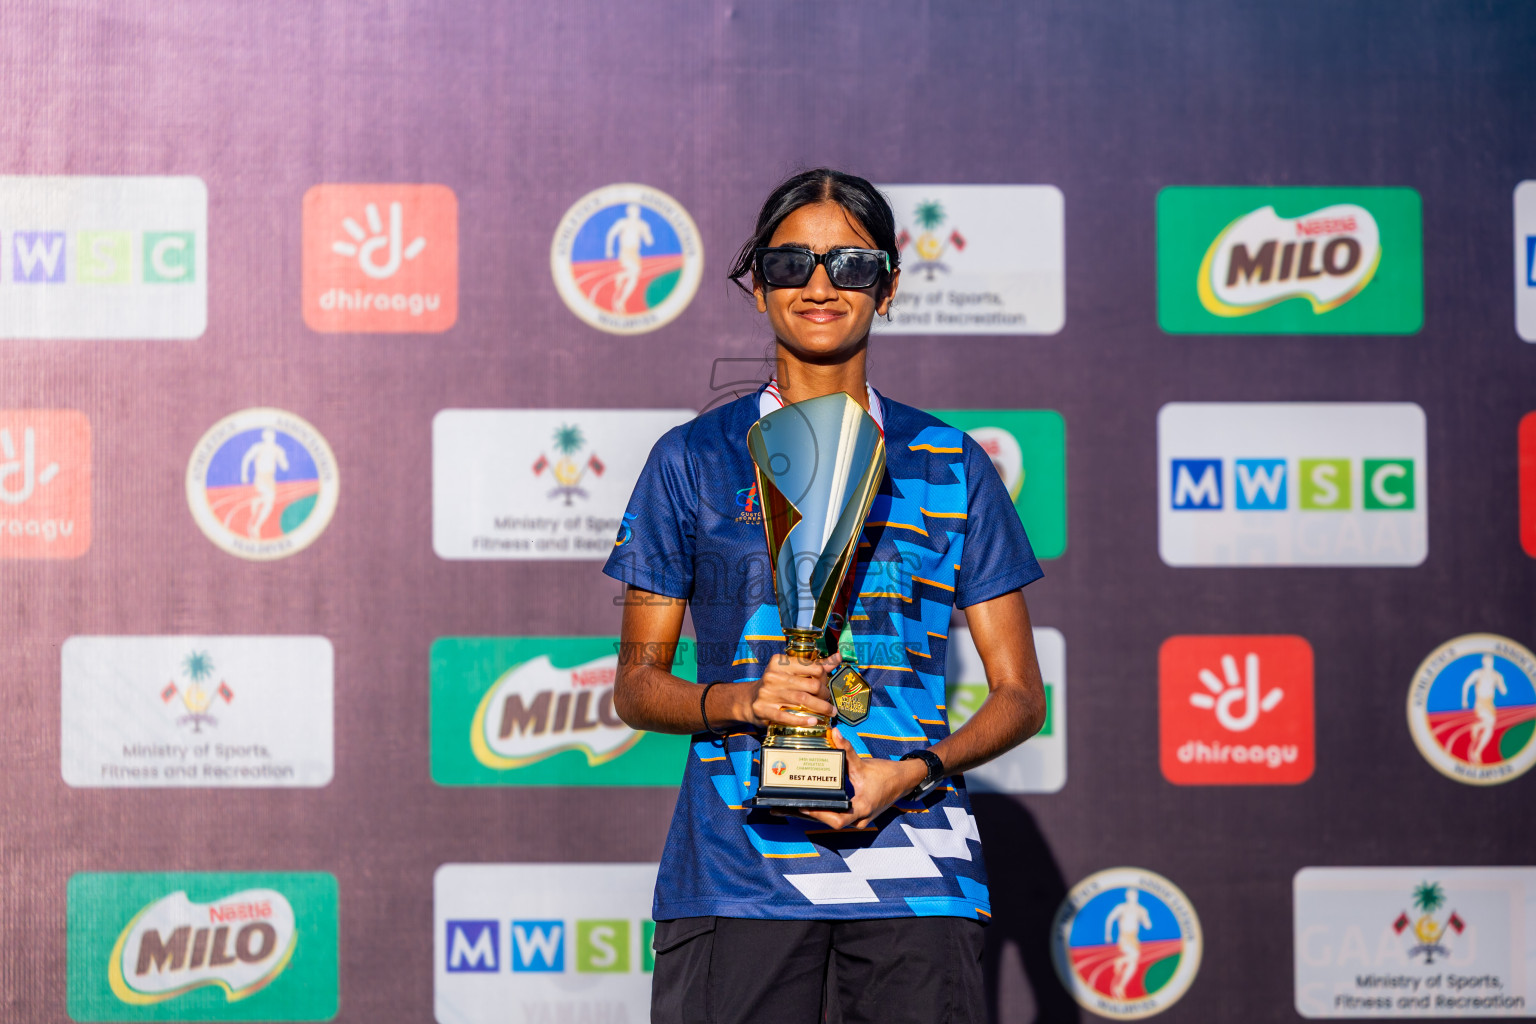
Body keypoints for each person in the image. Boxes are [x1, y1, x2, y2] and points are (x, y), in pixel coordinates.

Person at [604, 168, 1047, 1024]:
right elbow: (636, 684)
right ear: (755, 286)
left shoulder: (949, 461)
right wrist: (741, 699)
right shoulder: (692, 460)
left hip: (915, 875)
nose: (818, 285)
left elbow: (1021, 695)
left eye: (848, 265)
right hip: (738, 874)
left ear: (886, 287)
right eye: (790, 264)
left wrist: (913, 773)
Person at [1104, 887, 1150, 1000]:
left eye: (1134, 895)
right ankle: (1119, 961)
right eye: (1130, 895)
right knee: (1134, 957)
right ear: (1127, 896)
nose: (1132, 897)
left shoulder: (1141, 909)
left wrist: (1145, 917)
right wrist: (1108, 934)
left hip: (1134, 937)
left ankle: (1120, 986)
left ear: (1137, 896)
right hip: (1124, 936)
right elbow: (1109, 919)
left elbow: (1148, 926)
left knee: (1133, 964)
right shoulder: (1122, 908)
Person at [1462, 653, 1507, 764]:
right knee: (1490, 722)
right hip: (1481, 702)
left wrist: (1501, 682)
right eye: (1486, 661)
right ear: (1483, 662)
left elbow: (1503, 691)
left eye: (1490, 661)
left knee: (1489, 729)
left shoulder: (1497, 675)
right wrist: (1464, 700)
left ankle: (1477, 751)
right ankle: (1476, 726)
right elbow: (1466, 684)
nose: (1488, 663)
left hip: (1490, 704)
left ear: (1493, 662)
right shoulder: (1478, 673)